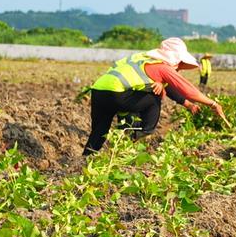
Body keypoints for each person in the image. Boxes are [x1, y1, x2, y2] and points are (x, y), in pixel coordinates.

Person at [83, 37, 226, 155]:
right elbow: (188, 90)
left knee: (99, 130)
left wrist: (187, 104)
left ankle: (86, 159)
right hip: (118, 94)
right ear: (175, 58)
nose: (179, 67)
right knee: (154, 98)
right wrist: (213, 104)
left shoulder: (143, 58)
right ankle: (141, 132)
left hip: (98, 90)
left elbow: (169, 88)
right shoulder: (163, 67)